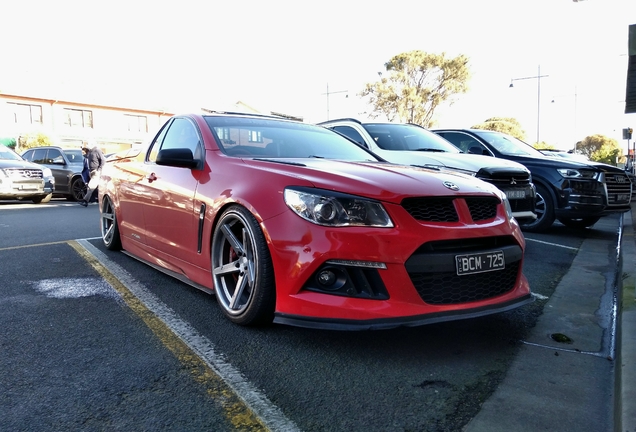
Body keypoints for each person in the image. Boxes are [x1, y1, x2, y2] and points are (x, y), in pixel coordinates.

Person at [78, 141, 106, 207]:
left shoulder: (97, 150)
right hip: (91, 172)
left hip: (96, 172)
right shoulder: (90, 151)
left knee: (91, 187)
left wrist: (99, 169)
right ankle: (101, 200)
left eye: (88, 144)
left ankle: (85, 201)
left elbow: (103, 160)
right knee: (96, 187)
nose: (88, 145)